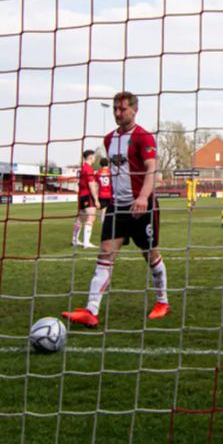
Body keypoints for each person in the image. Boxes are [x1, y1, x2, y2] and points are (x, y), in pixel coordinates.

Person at [62, 92, 168, 327]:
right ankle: (91, 311)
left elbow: (151, 169)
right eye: (115, 109)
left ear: (134, 110)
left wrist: (142, 197)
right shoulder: (109, 139)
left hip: (142, 206)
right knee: (105, 254)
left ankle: (162, 301)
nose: (118, 114)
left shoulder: (143, 137)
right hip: (117, 208)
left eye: (123, 109)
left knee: (150, 255)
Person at [72, 150, 100, 248]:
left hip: (81, 195)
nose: (95, 159)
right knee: (91, 217)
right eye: (94, 157)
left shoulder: (82, 168)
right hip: (88, 195)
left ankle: (75, 240)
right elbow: (91, 184)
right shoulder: (88, 169)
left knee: (80, 218)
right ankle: (86, 243)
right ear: (91, 157)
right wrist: (96, 199)